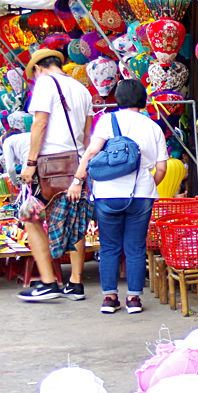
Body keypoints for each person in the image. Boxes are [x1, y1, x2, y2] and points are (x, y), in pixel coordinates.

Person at [69, 79, 168, 315]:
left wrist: (76, 181)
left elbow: (92, 153)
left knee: (110, 247)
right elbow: (162, 167)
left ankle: (110, 298)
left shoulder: (107, 121)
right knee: (135, 247)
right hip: (141, 195)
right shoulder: (153, 126)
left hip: (107, 194)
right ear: (142, 99)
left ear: (119, 98)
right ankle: (133, 299)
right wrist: (146, 187)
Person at [17, 48, 93, 302]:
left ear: (37, 69)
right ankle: (75, 283)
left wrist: (30, 162)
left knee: (30, 217)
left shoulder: (44, 83)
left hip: (51, 163)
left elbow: (40, 123)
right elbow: (86, 133)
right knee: (75, 221)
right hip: (77, 162)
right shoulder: (81, 88)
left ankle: (49, 282)